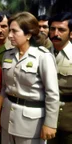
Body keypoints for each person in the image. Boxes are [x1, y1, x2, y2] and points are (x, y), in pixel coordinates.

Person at [0, 11, 60, 144]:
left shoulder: (43, 57)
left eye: (14, 31)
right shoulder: (8, 55)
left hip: (31, 126)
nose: (9, 35)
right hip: (7, 121)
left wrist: (50, 123)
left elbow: (52, 94)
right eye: (9, 30)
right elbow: (4, 89)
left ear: (28, 34)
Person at [47, 12, 72, 144]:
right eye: (52, 29)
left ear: (71, 33)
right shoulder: (41, 53)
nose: (55, 33)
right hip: (43, 118)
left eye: (61, 30)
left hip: (68, 121)